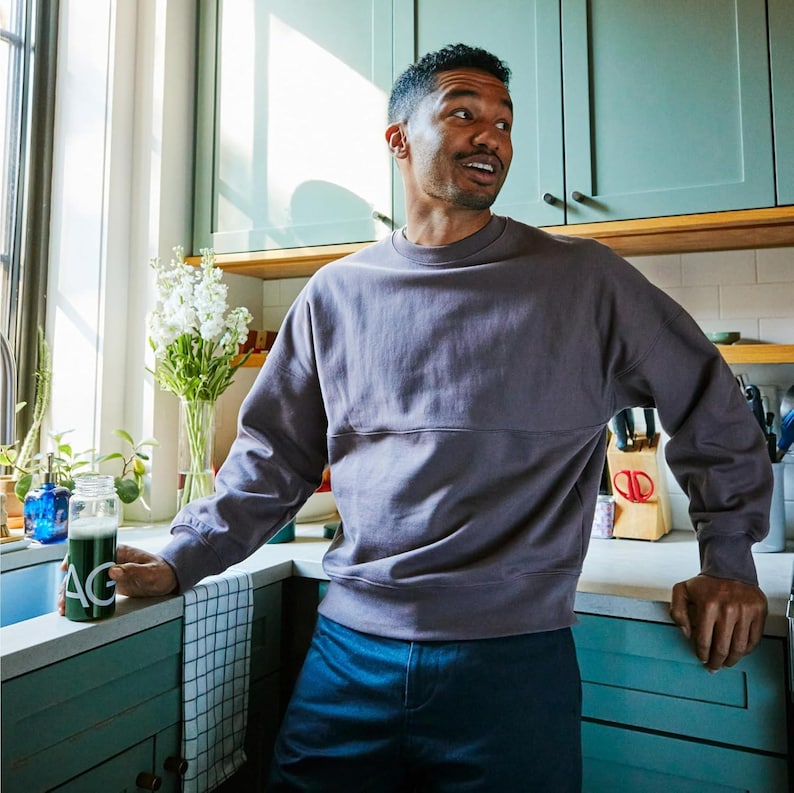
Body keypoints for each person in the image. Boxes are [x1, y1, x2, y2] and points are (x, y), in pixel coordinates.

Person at [94, 44, 772, 791]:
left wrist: (728, 561)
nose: (492, 136)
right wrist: (181, 555)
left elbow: (711, 401)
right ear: (397, 139)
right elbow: (272, 460)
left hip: (513, 665)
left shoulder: (587, 281)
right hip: (348, 653)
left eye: (505, 122)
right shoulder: (333, 296)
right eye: (463, 112)